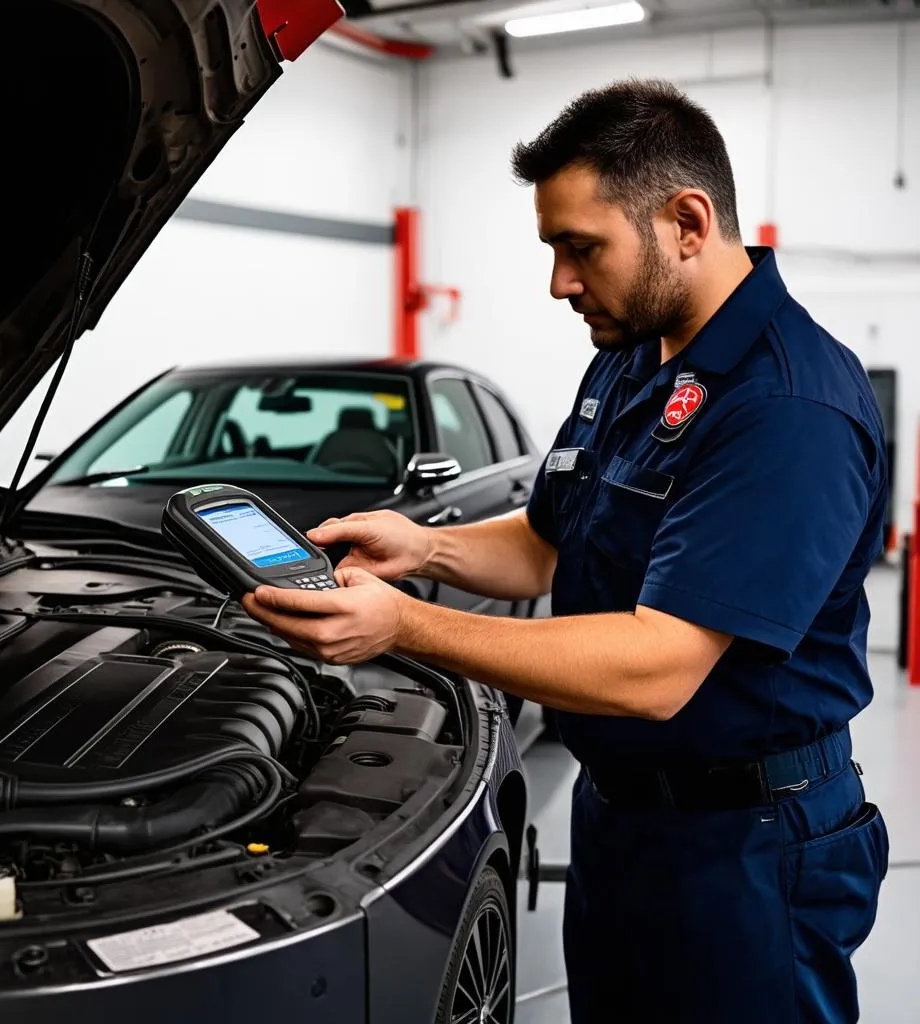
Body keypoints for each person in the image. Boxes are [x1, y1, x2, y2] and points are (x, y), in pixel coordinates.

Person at [243, 78, 890, 1024]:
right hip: (623, 816)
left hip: (745, 849)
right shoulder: (635, 353)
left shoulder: (786, 407)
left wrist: (400, 627)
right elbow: (552, 543)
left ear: (687, 221)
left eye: (580, 248)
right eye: (554, 249)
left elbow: (657, 667)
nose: (561, 282)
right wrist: (422, 548)